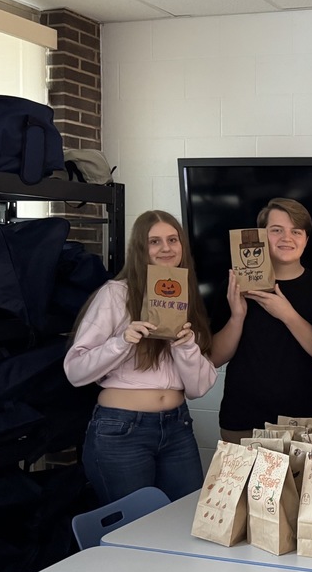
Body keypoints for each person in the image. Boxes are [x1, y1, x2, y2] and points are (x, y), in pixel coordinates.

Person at [64, 210, 215, 505]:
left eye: (173, 240)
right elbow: (75, 371)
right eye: (154, 241)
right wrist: (123, 341)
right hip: (121, 431)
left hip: (177, 426)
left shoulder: (187, 298)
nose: (166, 248)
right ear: (139, 249)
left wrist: (185, 346)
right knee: (132, 528)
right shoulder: (115, 295)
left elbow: (198, 389)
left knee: (186, 521)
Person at [210, 198, 312, 444]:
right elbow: (215, 358)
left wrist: (287, 314)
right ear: (260, 236)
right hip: (243, 422)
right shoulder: (235, 285)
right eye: (276, 230)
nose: (286, 238)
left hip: (303, 424)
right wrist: (238, 315)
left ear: (306, 240)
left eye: (296, 231)